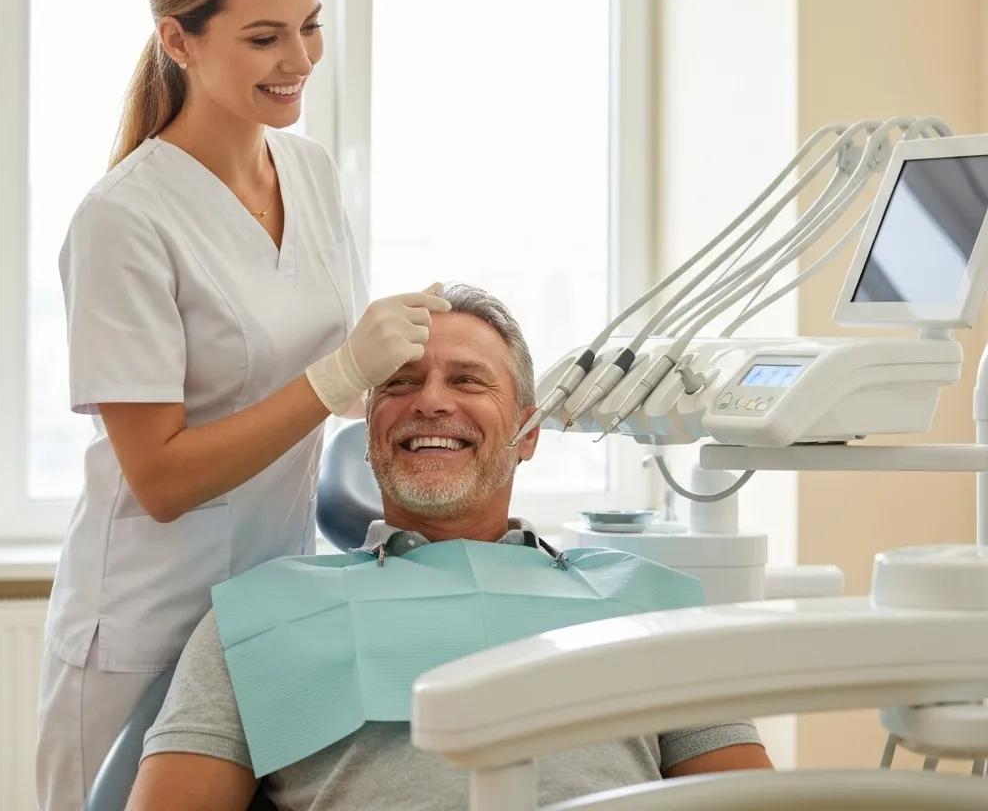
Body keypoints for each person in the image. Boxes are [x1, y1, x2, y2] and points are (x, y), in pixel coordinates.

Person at [35, 0, 450, 811]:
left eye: (310, 28)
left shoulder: (308, 172)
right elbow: (163, 479)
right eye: (264, 37)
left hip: (271, 612)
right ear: (178, 41)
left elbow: (327, 395)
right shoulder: (125, 219)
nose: (299, 61)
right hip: (143, 618)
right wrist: (340, 370)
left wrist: (422, 374)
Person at [126, 285, 772, 811]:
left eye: (468, 382)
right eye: (401, 384)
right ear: (371, 428)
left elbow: (751, 798)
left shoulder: (644, 602)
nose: (432, 402)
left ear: (528, 432)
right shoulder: (262, 615)